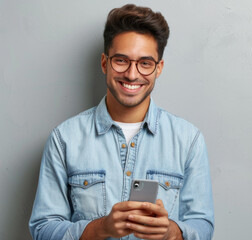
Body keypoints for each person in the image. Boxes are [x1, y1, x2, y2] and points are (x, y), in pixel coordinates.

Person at [29, 4, 214, 240]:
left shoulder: (189, 140)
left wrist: (172, 232)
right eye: (121, 60)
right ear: (105, 63)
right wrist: (100, 228)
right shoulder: (64, 139)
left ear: (159, 69)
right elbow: (42, 229)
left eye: (145, 63)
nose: (132, 74)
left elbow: (203, 225)